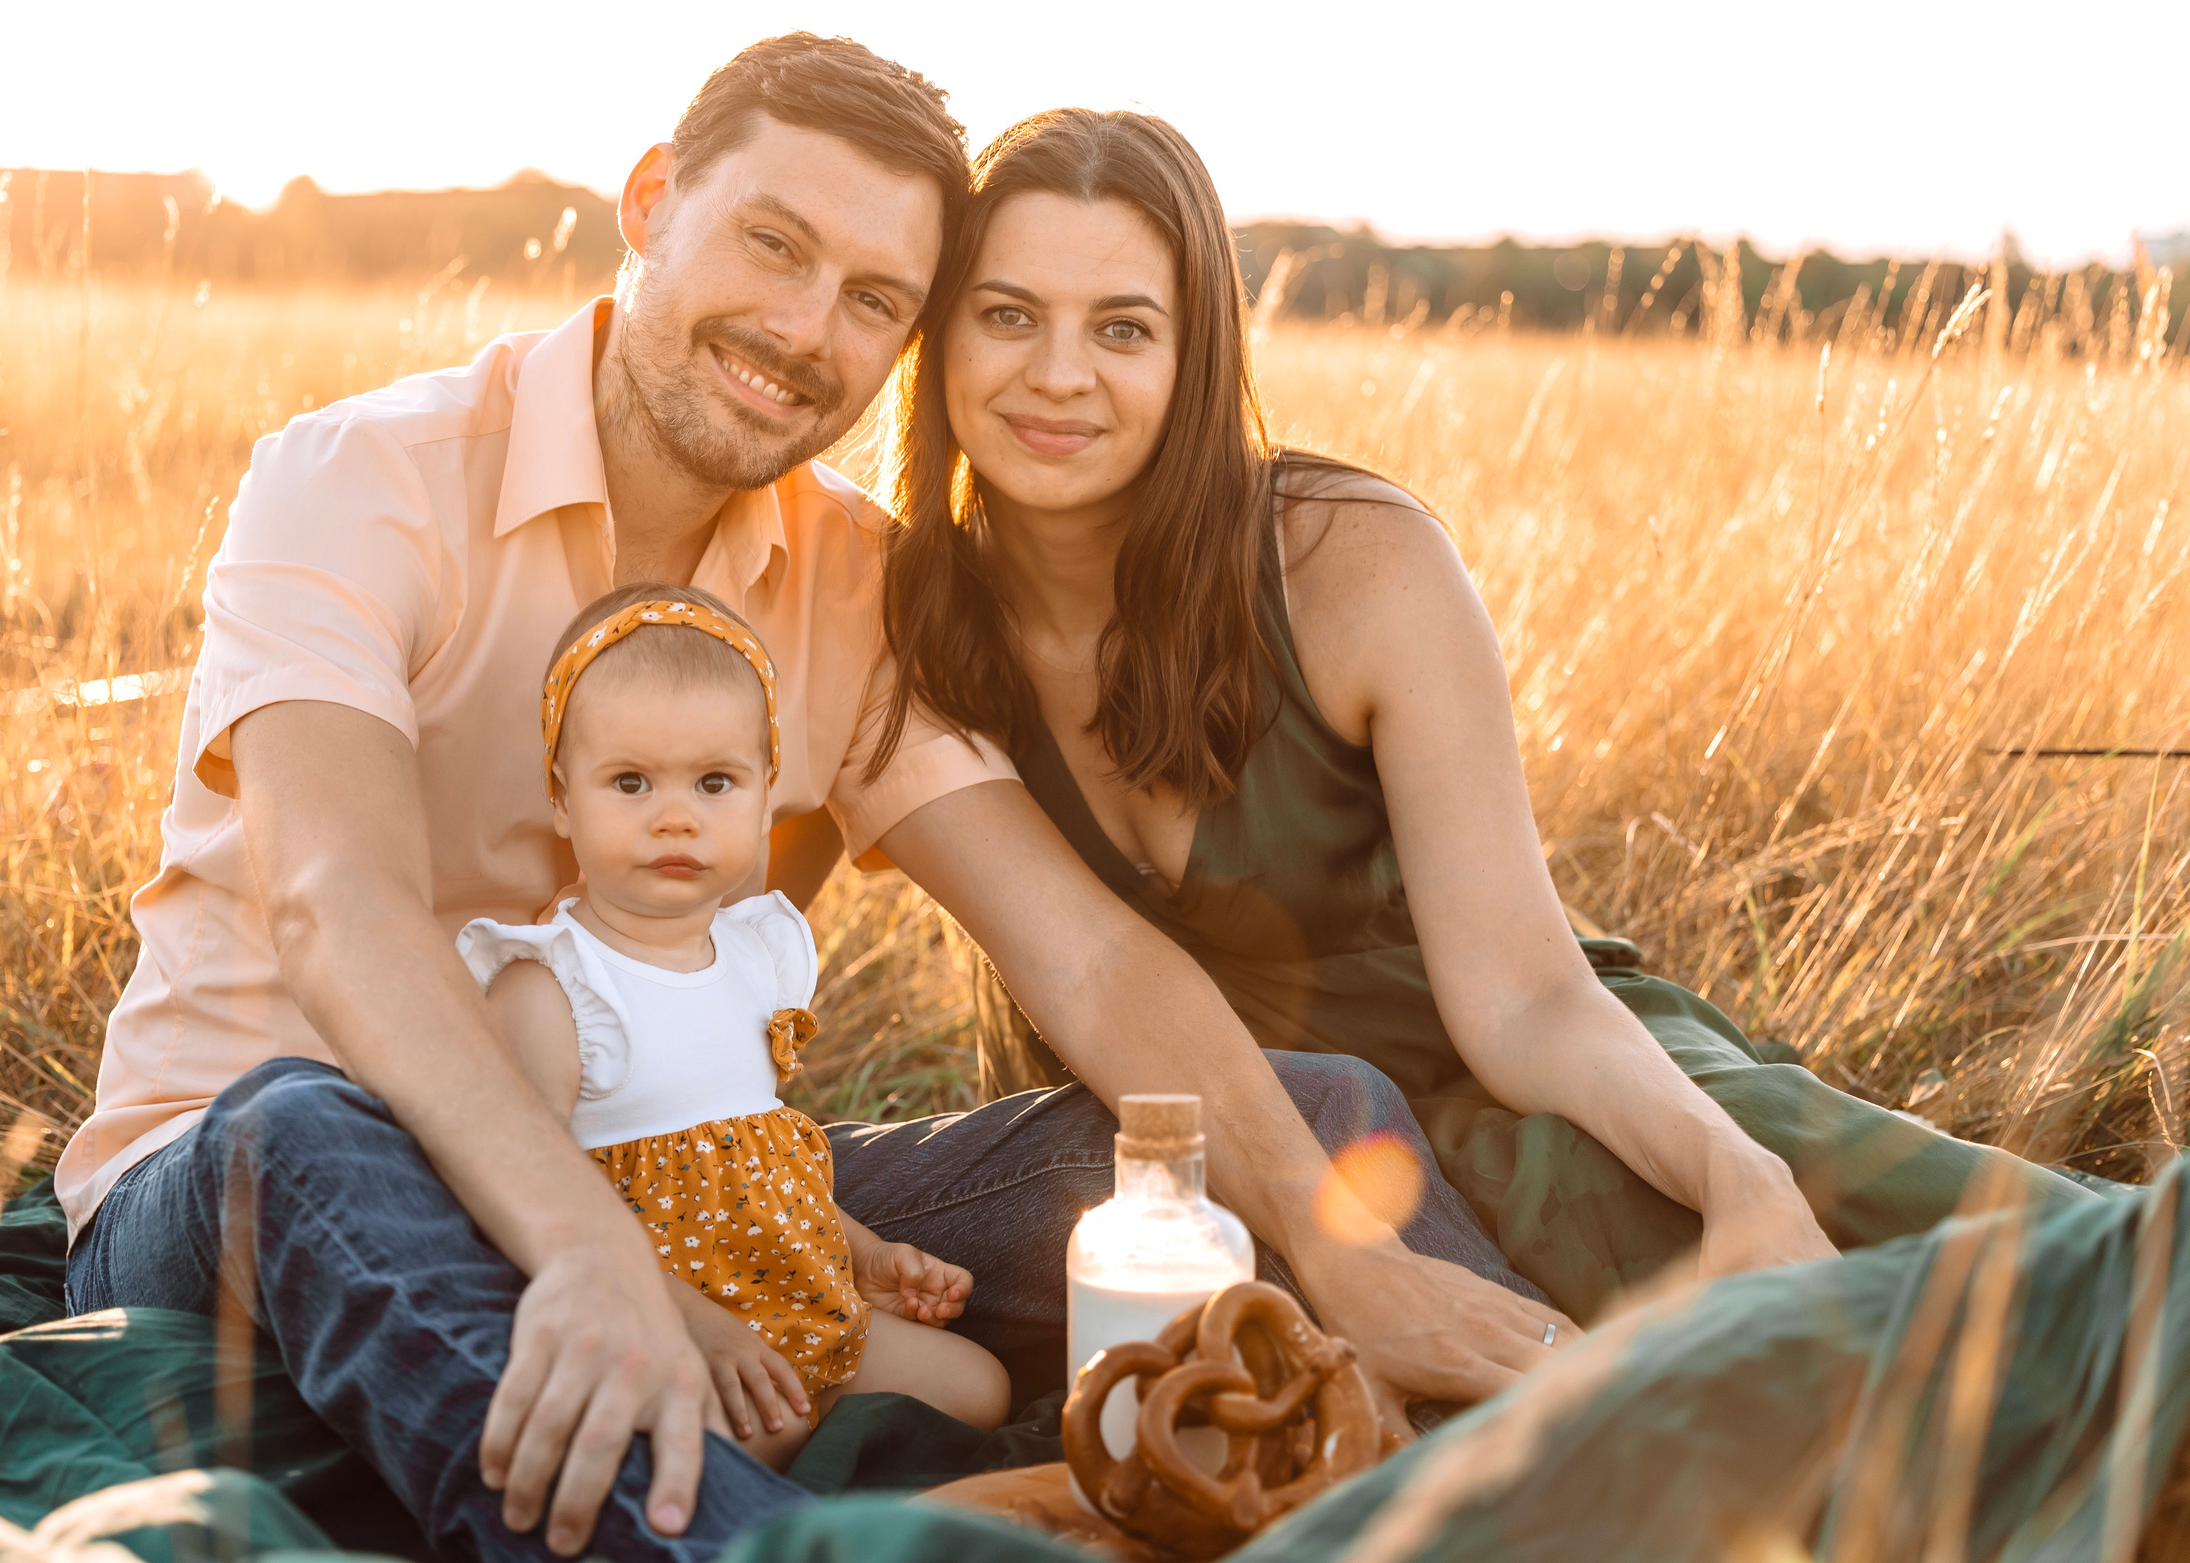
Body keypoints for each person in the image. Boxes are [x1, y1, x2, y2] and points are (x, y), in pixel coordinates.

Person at [56, 36, 1565, 1563]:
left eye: (873, 300)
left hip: (667, 1166)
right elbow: (338, 901)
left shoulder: (851, 575)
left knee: (1303, 1128)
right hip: (265, 1176)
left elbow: (1087, 952)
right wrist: (587, 1248)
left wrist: (1334, 1244)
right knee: (306, 1126)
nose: (802, 329)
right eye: (775, 243)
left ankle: (1548, 1484)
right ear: (652, 202)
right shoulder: (359, 477)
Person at [871, 106, 2103, 1324]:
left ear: (1196, 360)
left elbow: (1524, 1002)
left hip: (1548, 1085)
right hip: (1231, 1162)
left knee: (2036, 1279)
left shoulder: (1348, 562)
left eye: (1123, 327)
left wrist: (1739, 1173)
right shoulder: (901, 615)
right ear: (942, 332)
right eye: (1008, 314)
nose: (1058, 374)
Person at [460, 583, 1010, 1470]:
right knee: (731, 1446)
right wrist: (683, 1317)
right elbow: (517, 1192)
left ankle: (822, 1436)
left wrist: (863, 1257)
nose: (675, 814)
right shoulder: (554, 983)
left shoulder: (759, 956)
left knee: (978, 1386)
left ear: (762, 801)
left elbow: (763, 1165)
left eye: (714, 782)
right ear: (562, 801)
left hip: (801, 1298)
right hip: (657, 1320)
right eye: (630, 781)